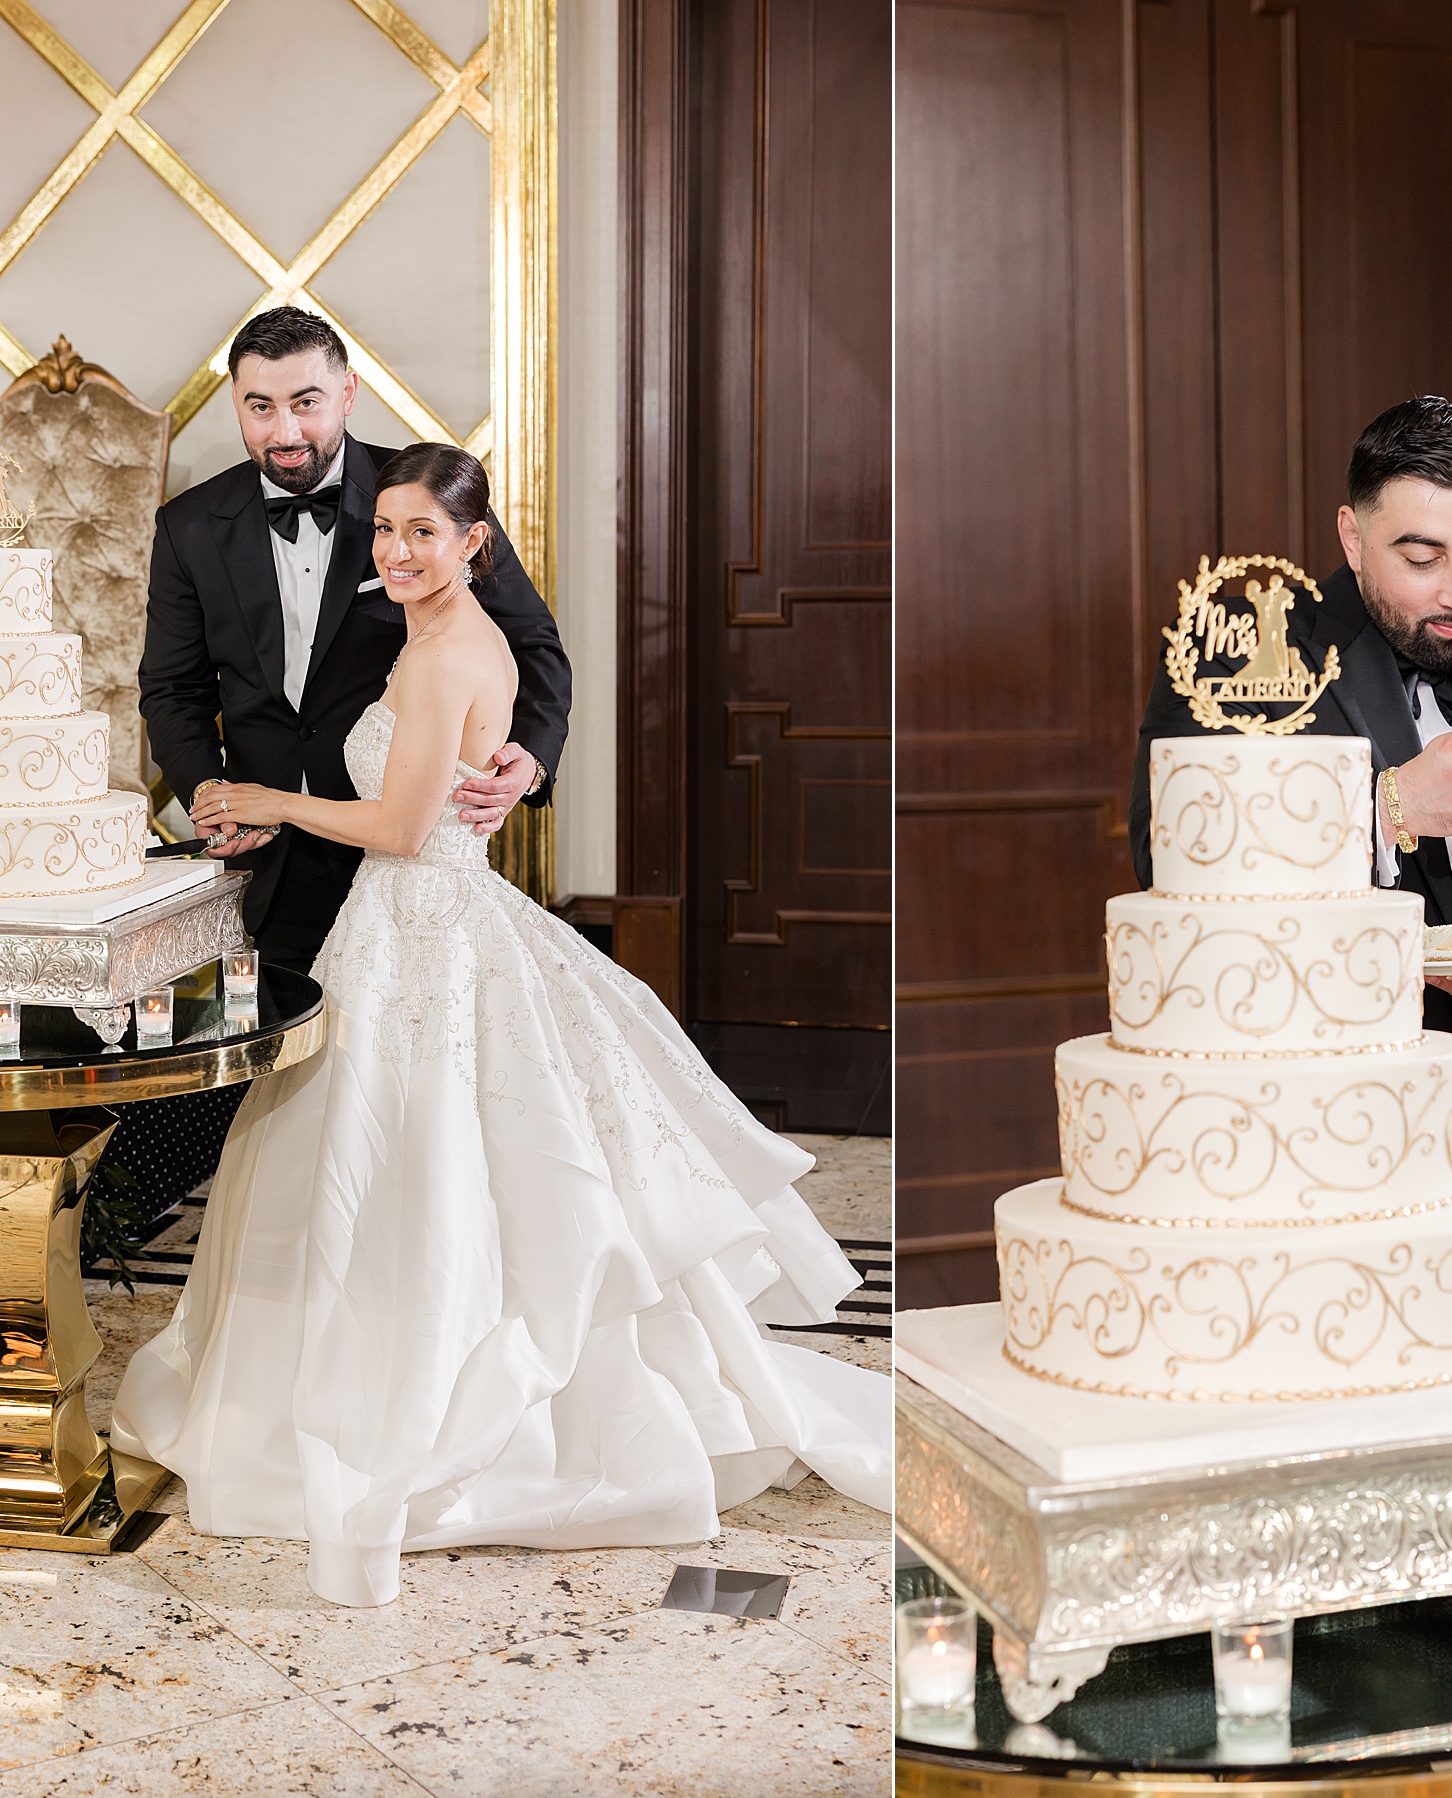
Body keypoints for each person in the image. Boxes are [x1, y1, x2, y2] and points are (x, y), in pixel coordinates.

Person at [110, 444, 891, 1607]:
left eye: (421, 532)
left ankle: (459, 1410)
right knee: (385, 1165)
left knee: (436, 1169)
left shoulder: (455, 647)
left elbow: (408, 822)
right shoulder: (418, 630)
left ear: (475, 541)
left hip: (426, 919)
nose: (393, 551)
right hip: (400, 928)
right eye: (384, 531)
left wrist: (270, 798)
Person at [1129, 397, 1452, 1311]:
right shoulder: (1242, 663)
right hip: (1273, 1157)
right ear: (1353, 534)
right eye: (1420, 557)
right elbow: (1169, 861)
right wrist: (1391, 807)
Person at [114, 307, 572, 1226]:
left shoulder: (422, 502)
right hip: (266, 851)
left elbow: (534, 648)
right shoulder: (191, 527)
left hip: (396, 853)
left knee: (403, 1093)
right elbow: (169, 687)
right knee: (231, 1065)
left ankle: (403, 1254)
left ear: (348, 394)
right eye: (260, 407)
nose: (287, 431)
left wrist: (531, 759)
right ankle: (109, 1231)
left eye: (308, 403)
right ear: (235, 407)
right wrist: (208, 789)